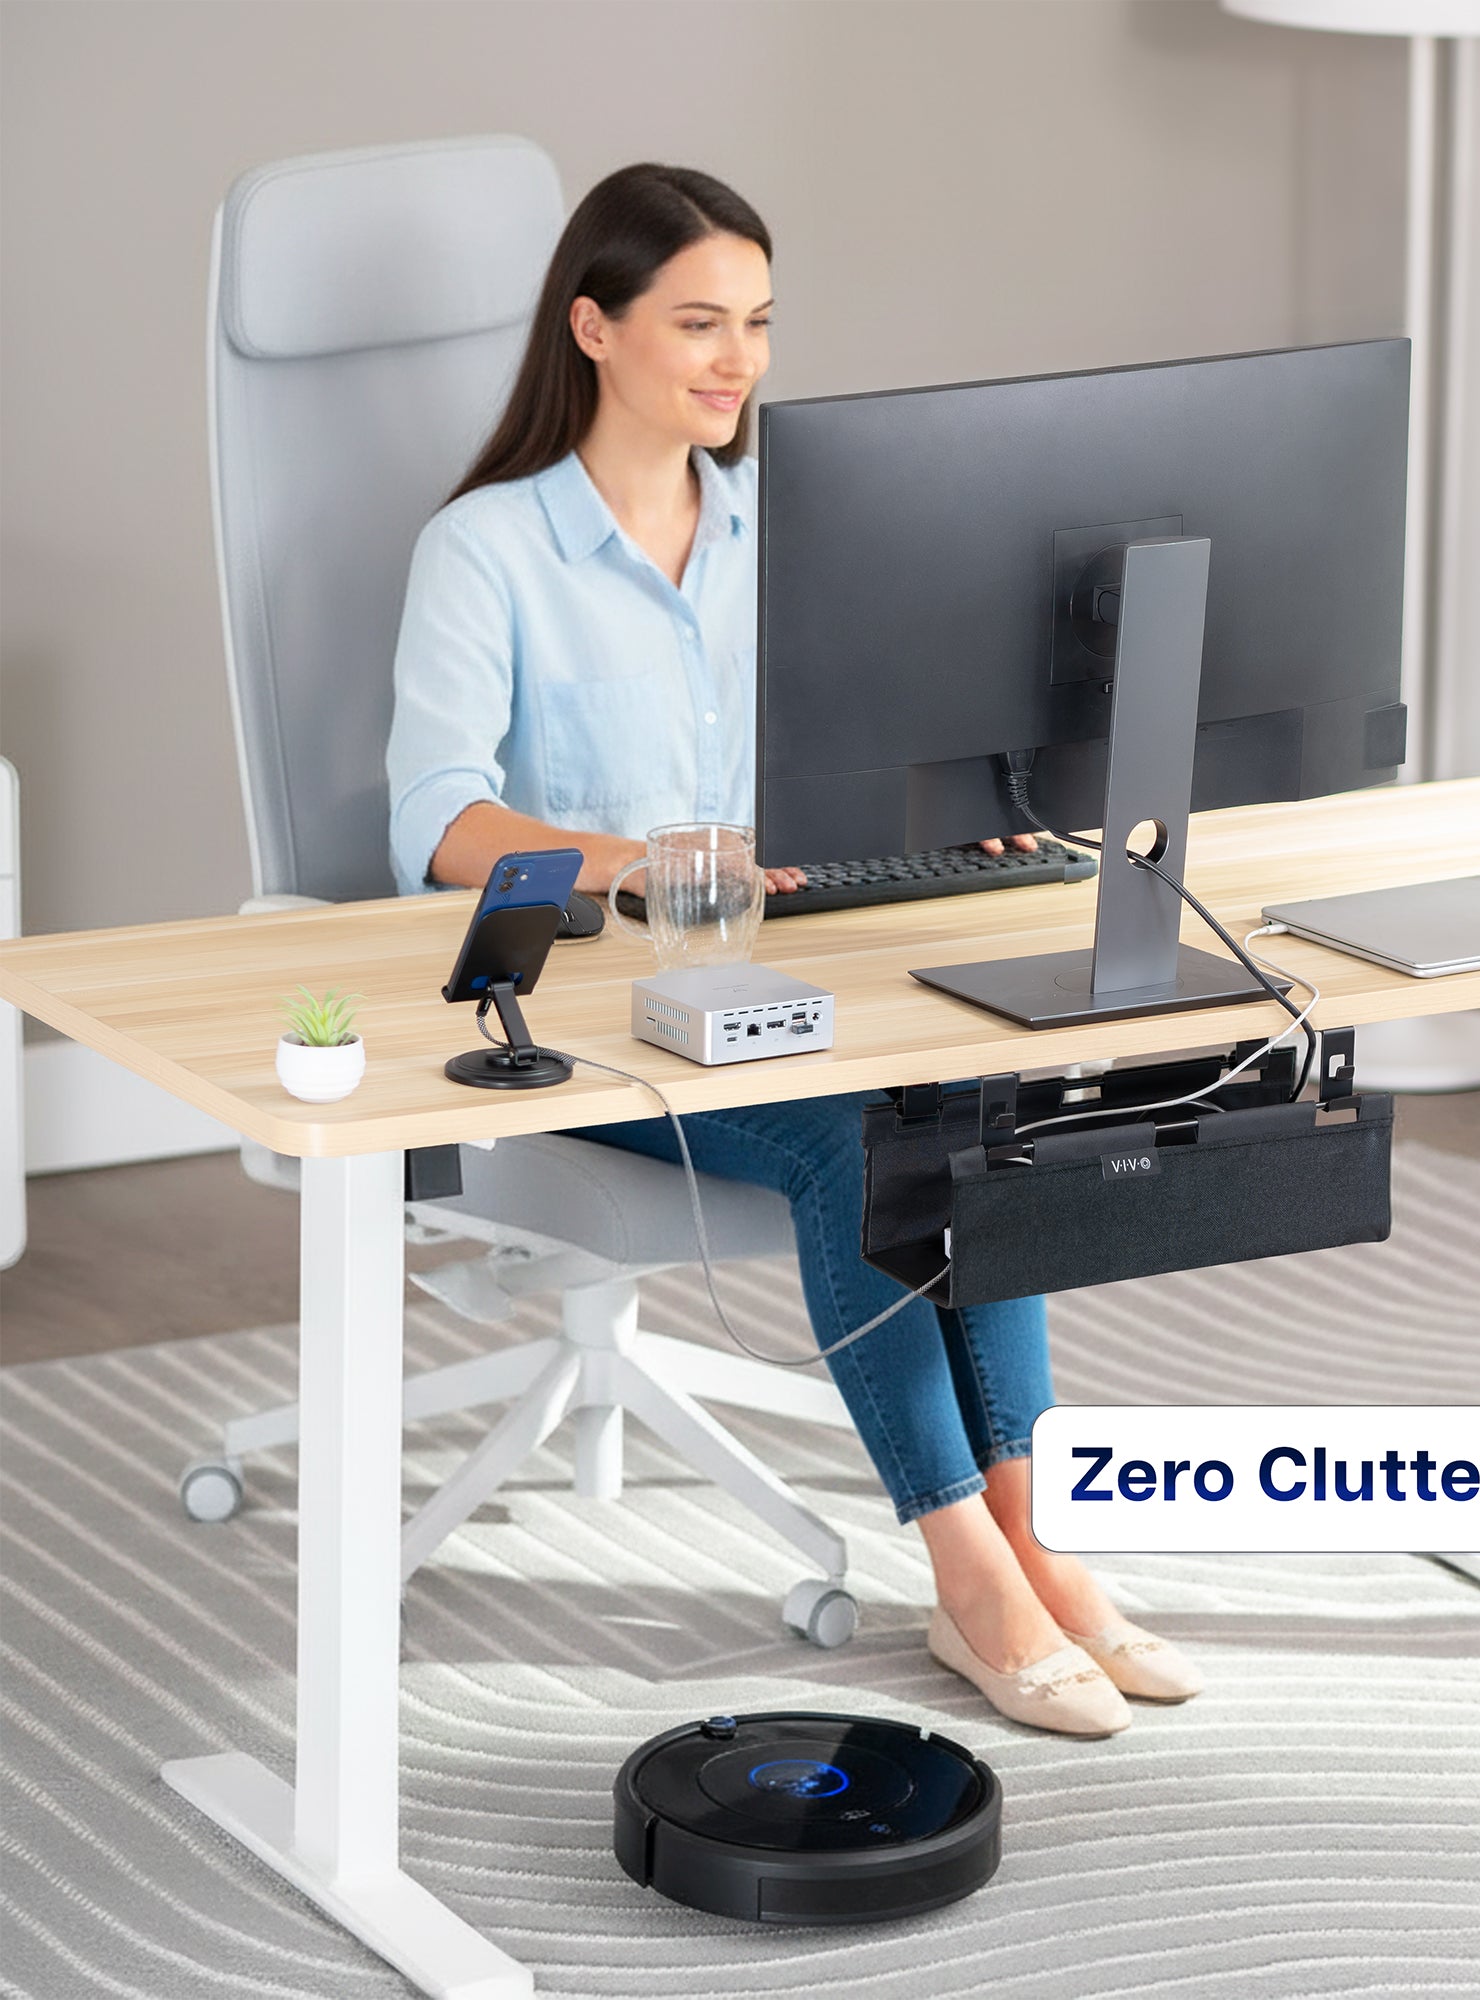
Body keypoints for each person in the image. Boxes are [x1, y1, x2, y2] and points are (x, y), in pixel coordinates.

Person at [386, 163, 1200, 1735]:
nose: (736, 361)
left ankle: (1045, 1544)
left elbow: (878, 737)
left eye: (758, 324)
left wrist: (967, 800)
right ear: (594, 328)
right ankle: (970, 1576)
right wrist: (653, 867)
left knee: (980, 1113)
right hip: (610, 1016)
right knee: (854, 1147)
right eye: (698, 322)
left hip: (816, 969)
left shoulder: (794, 530)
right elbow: (435, 817)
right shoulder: (485, 550)